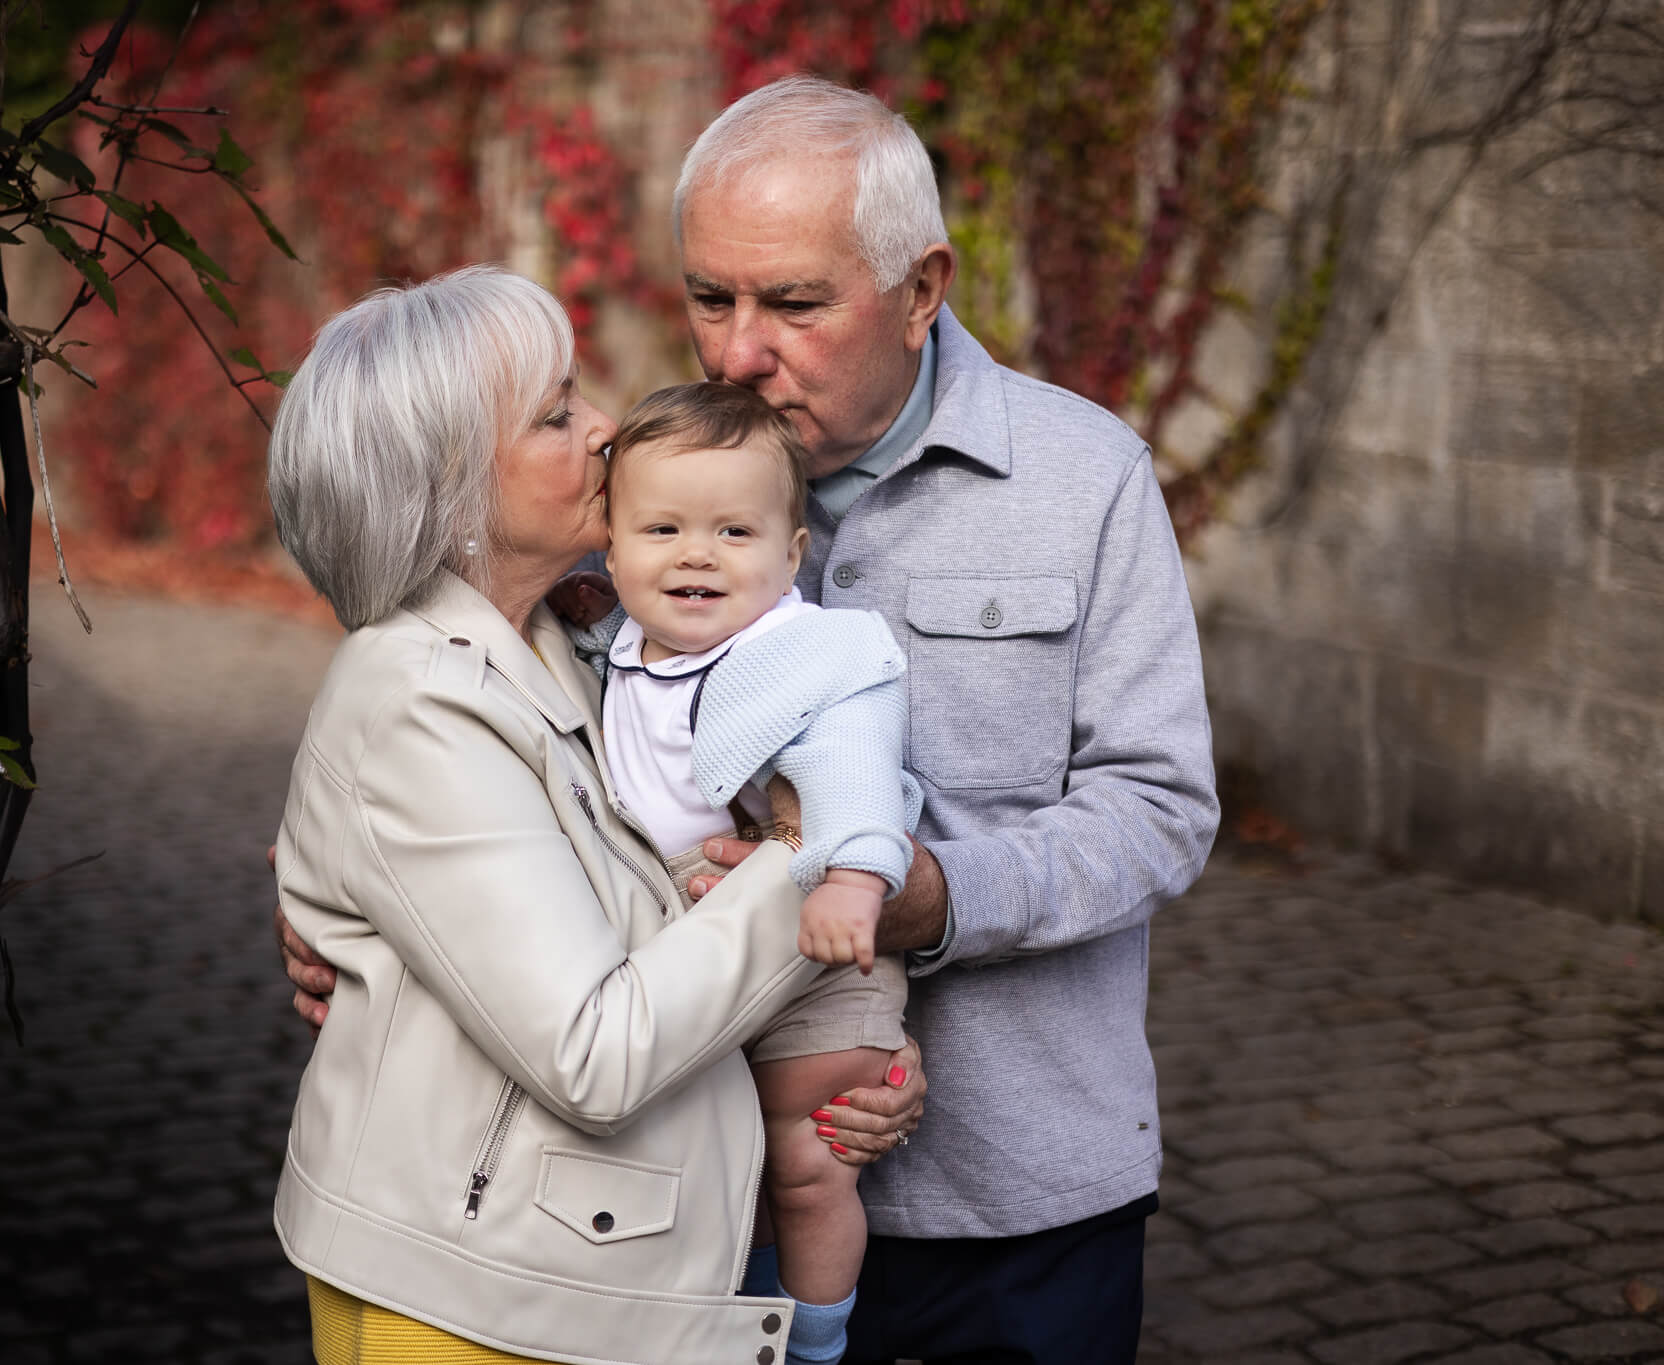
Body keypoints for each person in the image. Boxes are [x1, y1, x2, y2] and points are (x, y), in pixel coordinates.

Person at [282, 75, 1220, 1364]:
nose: (733, 354)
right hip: (713, 1198)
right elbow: (476, 728)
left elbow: (1158, 810)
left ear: (920, 288)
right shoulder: (636, 483)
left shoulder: (1084, 477)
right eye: (708, 298)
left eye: (790, 303)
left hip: (1016, 1193)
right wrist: (349, 894)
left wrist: (933, 897)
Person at [262, 263, 913, 1365]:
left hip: (570, 1277)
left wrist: (850, 1050)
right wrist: (805, 860)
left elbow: (638, 901)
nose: (606, 425)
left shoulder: (573, 639)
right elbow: (595, 1052)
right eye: (556, 412)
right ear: (453, 483)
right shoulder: (421, 700)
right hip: (472, 1308)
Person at [571, 380, 918, 1365]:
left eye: (734, 531)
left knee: (806, 1161)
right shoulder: (609, 641)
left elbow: (855, 769)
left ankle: (815, 1339)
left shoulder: (804, 654)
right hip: (681, 945)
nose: (697, 554)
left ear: (791, 554)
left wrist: (852, 879)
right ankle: (727, 1328)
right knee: (717, 1170)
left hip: (813, 940)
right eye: (663, 529)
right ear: (610, 547)